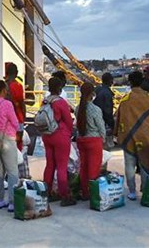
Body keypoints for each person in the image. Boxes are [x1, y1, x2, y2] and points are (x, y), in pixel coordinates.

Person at [115, 70, 149, 201]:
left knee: (129, 164)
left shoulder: (126, 99)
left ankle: (132, 191)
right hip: (145, 135)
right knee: (144, 162)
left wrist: (116, 132)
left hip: (129, 136)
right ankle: (144, 188)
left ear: (130, 82)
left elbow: (119, 117)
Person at [42, 77, 75, 206]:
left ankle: (47, 192)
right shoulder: (60, 102)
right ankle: (64, 196)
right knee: (61, 166)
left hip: (47, 135)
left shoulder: (45, 101)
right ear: (60, 88)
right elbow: (68, 121)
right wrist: (69, 132)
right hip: (60, 136)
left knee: (50, 165)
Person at [0, 80, 19, 212]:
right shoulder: (7, 104)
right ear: (3, 89)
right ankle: (12, 201)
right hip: (7, 138)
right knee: (12, 172)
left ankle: (0, 200)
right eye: (6, 88)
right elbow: (15, 122)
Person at [76, 82, 105, 201]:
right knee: (94, 168)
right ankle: (93, 193)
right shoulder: (95, 109)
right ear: (92, 93)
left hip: (81, 139)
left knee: (84, 166)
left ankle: (84, 192)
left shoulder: (78, 108)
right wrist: (103, 139)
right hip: (93, 140)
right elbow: (101, 127)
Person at [5, 63, 26, 150]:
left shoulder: (3, 85)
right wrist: (24, 116)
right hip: (18, 117)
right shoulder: (18, 86)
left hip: (6, 118)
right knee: (18, 141)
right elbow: (21, 103)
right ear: (16, 73)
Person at [93, 72, 115, 150]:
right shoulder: (107, 93)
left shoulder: (97, 89)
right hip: (103, 123)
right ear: (110, 81)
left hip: (94, 123)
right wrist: (112, 125)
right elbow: (107, 112)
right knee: (105, 150)